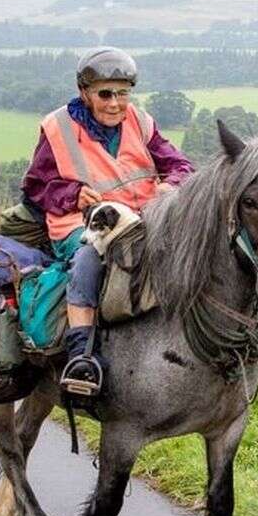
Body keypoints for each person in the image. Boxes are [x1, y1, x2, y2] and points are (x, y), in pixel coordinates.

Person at [20, 47, 193, 395]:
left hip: (140, 222)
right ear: (85, 93)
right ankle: (81, 354)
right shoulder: (58, 129)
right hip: (82, 225)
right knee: (88, 258)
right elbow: (35, 188)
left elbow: (181, 166)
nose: (115, 103)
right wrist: (72, 195)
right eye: (105, 94)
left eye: (123, 93)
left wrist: (169, 185)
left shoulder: (141, 123)